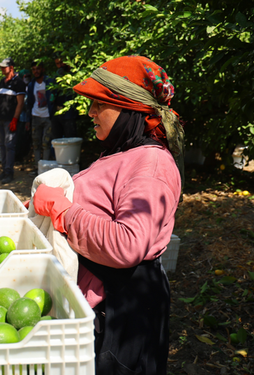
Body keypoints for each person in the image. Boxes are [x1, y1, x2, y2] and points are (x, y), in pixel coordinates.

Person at [33, 56, 184, 375]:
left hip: (122, 314)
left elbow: (127, 244)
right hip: (103, 309)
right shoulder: (123, 153)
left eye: (98, 104)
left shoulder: (150, 167)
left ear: (129, 106)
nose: (90, 113)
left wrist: (62, 210)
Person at [0, 58, 26, 184]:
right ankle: (4, 171)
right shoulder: (2, 81)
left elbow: (20, 103)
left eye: (4, 67)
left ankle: (9, 173)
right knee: (2, 145)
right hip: (0, 118)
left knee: (10, 146)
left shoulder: (18, 83)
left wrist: (15, 119)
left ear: (11, 68)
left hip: (10, 120)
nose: (2, 69)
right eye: (1, 67)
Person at [26, 61, 55, 170]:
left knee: (46, 142)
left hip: (47, 117)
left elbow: (54, 97)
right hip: (35, 116)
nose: (36, 71)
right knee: (36, 143)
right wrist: (28, 119)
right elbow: (29, 102)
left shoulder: (49, 82)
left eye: (38, 69)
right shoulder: (31, 84)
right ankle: (37, 167)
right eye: (33, 69)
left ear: (42, 69)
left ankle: (45, 167)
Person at [50, 56, 78, 139]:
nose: (60, 65)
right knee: (56, 139)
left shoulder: (74, 75)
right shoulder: (57, 75)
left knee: (71, 139)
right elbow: (52, 93)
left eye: (61, 62)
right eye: (57, 64)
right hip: (57, 113)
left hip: (69, 114)